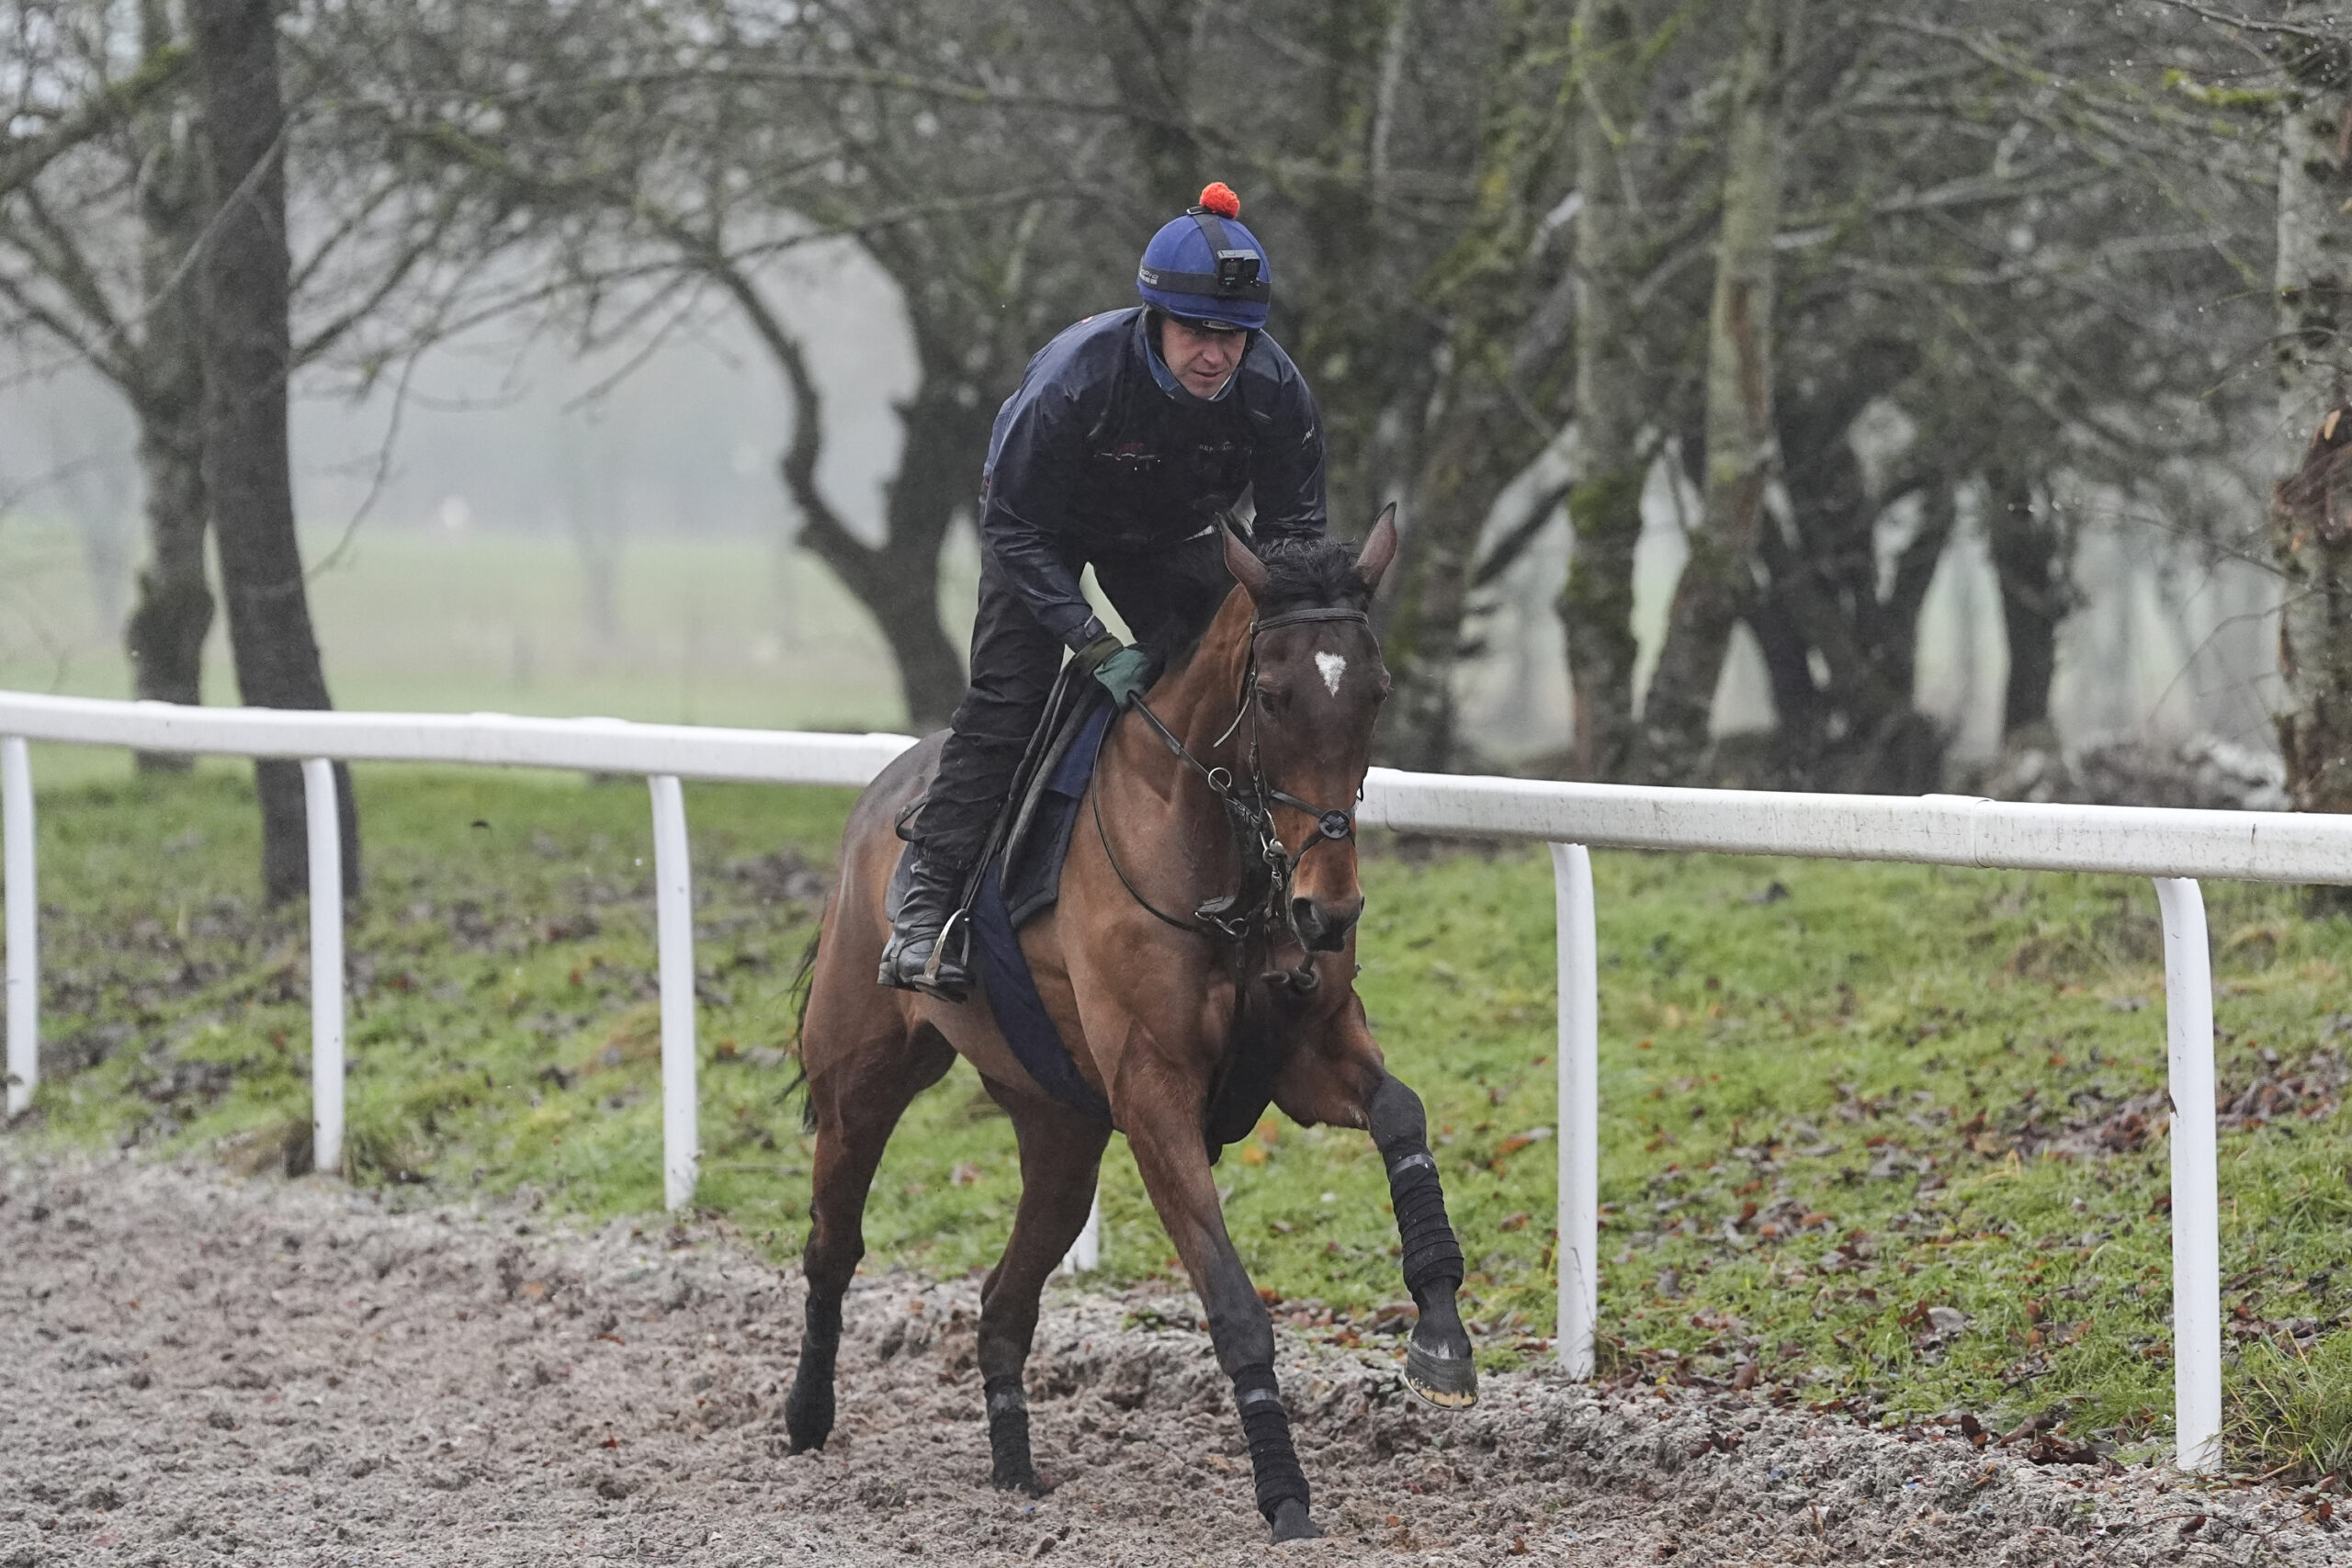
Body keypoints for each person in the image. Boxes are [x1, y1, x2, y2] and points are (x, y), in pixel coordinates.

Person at [879, 181, 1330, 998]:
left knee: (1248, 689)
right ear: (1155, 318)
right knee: (1008, 701)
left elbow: (1293, 537)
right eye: (1197, 331)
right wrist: (1089, 638)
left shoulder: (1275, 390)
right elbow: (1012, 526)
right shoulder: (1076, 378)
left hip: (1166, 543)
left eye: (1235, 338)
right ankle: (928, 903)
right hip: (1040, 538)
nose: (1217, 355)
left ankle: (1270, 896)